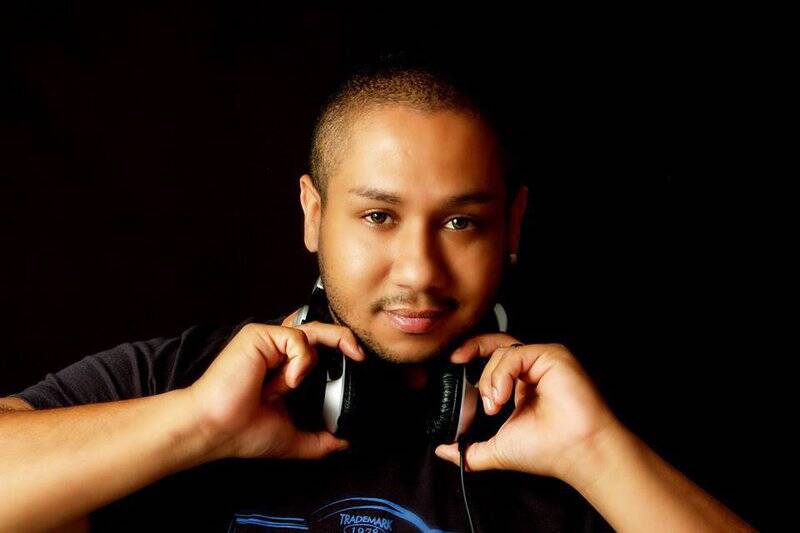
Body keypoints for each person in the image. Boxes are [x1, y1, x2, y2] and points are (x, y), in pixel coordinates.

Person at [0, 63, 755, 533]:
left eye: (461, 222)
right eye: (378, 217)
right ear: (313, 214)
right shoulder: (184, 380)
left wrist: (593, 454)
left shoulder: (581, 427)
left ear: (513, 224)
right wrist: (196, 424)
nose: (419, 271)